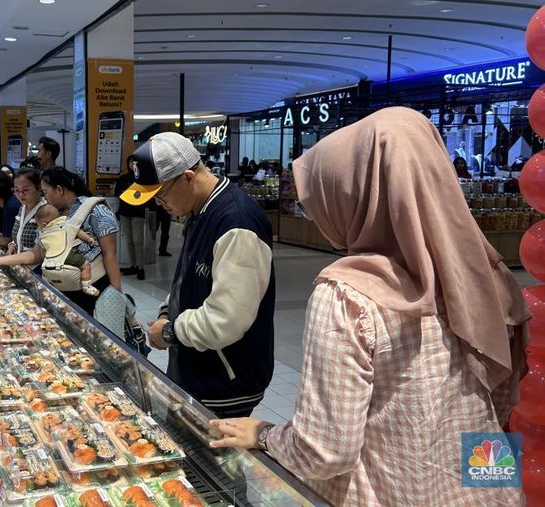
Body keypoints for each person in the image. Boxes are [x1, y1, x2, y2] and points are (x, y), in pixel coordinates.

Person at [207, 108, 528, 506]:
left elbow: (324, 453)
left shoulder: (348, 297)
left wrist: (263, 433)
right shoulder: (485, 274)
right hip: (491, 490)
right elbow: (497, 409)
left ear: (352, 196)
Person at [122, 132, 275, 417]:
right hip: (195, 367)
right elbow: (191, 278)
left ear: (188, 178)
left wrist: (170, 332)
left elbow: (226, 320)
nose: (159, 205)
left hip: (223, 381)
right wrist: (169, 311)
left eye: (160, 195)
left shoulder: (237, 223)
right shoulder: (201, 211)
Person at [0, 167, 121, 315]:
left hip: (93, 289)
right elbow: (37, 254)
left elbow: (109, 254)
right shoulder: (50, 215)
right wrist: (2, 261)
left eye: (45, 192)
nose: (44, 198)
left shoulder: (96, 210)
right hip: (58, 289)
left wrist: (117, 294)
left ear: (59, 189)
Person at [34, 204, 101, 296]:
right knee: (85, 265)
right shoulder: (67, 224)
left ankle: (48, 287)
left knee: (46, 273)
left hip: (50, 260)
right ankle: (86, 286)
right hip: (67, 254)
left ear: (44, 224)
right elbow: (78, 231)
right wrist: (88, 239)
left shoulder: (43, 235)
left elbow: (43, 252)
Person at [0, 167, 47, 254]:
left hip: (34, 265)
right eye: (17, 190)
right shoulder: (22, 208)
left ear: (39, 187)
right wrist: (12, 245)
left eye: (25, 190)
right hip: (19, 264)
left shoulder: (46, 210)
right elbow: (19, 236)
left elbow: (40, 252)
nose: (21, 195)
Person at [115, 156, 146, 279]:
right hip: (124, 212)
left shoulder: (143, 179)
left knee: (138, 241)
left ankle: (141, 267)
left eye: (135, 162)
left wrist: (129, 192)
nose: (132, 164)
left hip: (138, 212)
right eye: (130, 162)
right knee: (129, 241)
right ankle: (133, 265)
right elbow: (118, 193)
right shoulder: (123, 178)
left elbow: (143, 195)